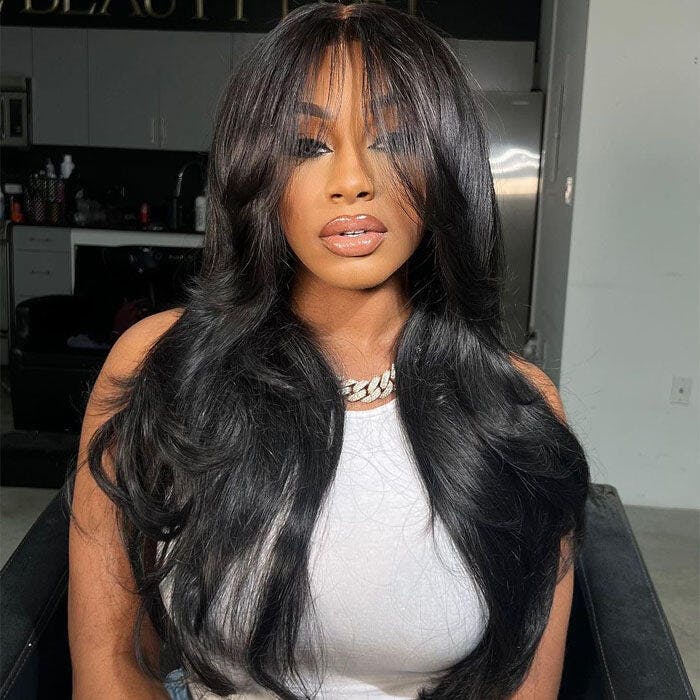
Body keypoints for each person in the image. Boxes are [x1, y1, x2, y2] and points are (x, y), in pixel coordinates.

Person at [62, 2, 591, 699]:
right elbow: (111, 660)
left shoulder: (513, 404)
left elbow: (525, 685)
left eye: (393, 139)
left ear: (444, 164)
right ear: (259, 172)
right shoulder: (162, 366)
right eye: (308, 146)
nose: (352, 179)